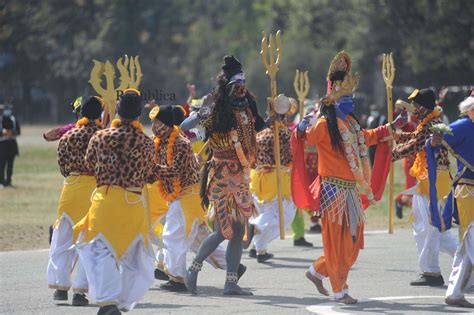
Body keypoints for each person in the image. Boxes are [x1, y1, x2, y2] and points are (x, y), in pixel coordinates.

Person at [295, 51, 406, 304]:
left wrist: (391, 127)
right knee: (337, 243)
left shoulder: (352, 125)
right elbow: (306, 138)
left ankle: (316, 271)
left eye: (352, 96)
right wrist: (301, 127)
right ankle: (339, 290)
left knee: (354, 242)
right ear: (334, 99)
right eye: (346, 97)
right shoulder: (324, 125)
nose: (351, 101)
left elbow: (367, 137)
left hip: (351, 191)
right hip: (332, 191)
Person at [184, 55, 264, 296]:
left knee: (239, 232)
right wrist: (200, 114)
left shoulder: (248, 109)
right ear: (227, 87)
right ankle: (193, 269)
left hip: (241, 177)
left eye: (243, 85)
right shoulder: (215, 110)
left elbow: (261, 125)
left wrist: (276, 118)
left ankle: (230, 283)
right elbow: (185, 126)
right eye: (236, 86)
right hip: (220, 176)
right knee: (222, 231)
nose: (241, 90)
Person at [74, 89, 155, 314]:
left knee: (100, 252)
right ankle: (121, 301)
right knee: (135, 259)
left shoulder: (100, 137)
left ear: (117, 110)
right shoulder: (147, 143)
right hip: (133, 203)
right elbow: (150, 174)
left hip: (105, 201)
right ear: (139, 114)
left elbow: (89, 164)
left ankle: (108, 301)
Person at [148, 104, 244, 292]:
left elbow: (174, 172)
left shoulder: (180, 144)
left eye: (158, 122)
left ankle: (178, 279)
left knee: (173, 236)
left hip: (186, 198)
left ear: (167, 124)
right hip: (176, 197)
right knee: (197, 239)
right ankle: (233, 266)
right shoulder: (159, 141)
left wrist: (150, 171)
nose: (154, 126)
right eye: (153, 122)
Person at [391, 88, 458, 286]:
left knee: (428, 228)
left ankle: (433, 272)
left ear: (425, 107)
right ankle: (465, 265)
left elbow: (413, 145)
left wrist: (390, 154)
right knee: (434, 229)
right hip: (430, 180)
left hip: (433, 182)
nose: (414, 109)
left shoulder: (431, 124)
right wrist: (392, 135)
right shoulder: (429, 122)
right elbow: (414, 137)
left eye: (417, 105)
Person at [47, 96, 103, 306]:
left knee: (62, 239)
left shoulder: (67, 135)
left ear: (79, 114)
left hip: (70, 189)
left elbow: (63, 166)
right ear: (99, 115)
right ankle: (80, 292)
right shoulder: (102, 136)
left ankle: (60, 287)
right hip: (94, 191)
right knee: (88, 241)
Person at [429, 93, 474, 308]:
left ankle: (455, 292)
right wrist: (434, 140)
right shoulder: (464, 125)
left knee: (466, 247)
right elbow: (436, 138)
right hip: (468, 191)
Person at [247, 109, 298, 262]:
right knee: (286, 214)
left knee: (266, 211)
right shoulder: (285, 134)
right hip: (277, 179)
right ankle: (256, 226)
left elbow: (253, 158)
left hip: (258, 179)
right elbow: (291, 157)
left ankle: (260, 250)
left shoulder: (260, 135)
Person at [0, 104, 20, 188]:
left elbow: (18, 131)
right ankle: (1, 182)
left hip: (12, 144)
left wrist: (11, 132)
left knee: (10, 165)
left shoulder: (13, 119)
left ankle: (8, 181)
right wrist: (3, 133)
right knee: (1, 165)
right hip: (2, 144)